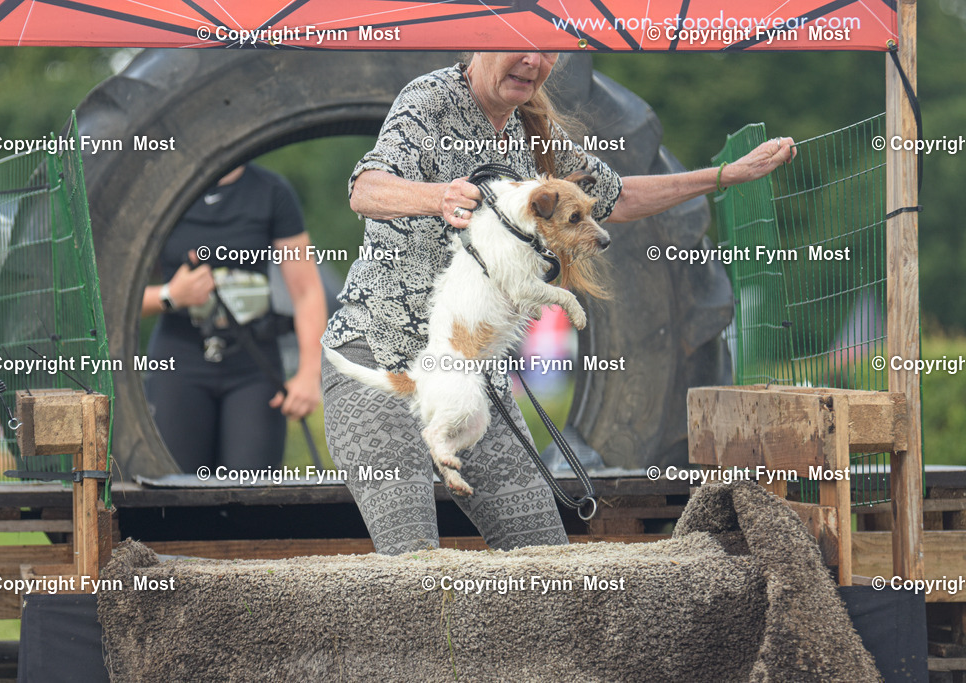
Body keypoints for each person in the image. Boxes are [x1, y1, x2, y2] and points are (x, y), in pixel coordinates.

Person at [321, 53, 796, 555]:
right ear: (479, 45)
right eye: (517, 46)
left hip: (473, 376)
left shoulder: (535, 131)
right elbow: (366, 188)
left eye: (547, 49)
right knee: (413, 564)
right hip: (377, 359)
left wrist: (725, 176)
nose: (534, 60)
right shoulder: (430, 100)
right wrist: (438, 197)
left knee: (545, 559)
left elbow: (618, 198)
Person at [141, 164, 327, 473]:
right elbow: (111, 295)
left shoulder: (273, 192)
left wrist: (309, 374)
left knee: (255, 496)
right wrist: (170, 296)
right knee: (174, 493)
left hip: (253, 366)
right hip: (178, 360)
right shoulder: (159, 190)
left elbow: (307, 291)